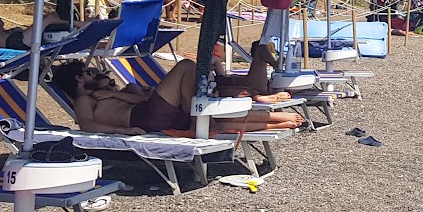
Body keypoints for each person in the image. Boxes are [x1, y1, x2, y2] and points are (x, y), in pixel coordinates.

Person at [51, 60, 303, 136]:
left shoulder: (102, 95)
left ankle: (281, 119)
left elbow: (138, 102)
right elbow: (87, 126)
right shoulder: (85, 100)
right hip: (145, 119)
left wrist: (116, 93)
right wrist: (127, 132)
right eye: (88, 72)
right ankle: (195, 116)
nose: (94, 73)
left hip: (148, 112)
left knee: (217, 120)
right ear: (78, 80)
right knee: (185, 67)